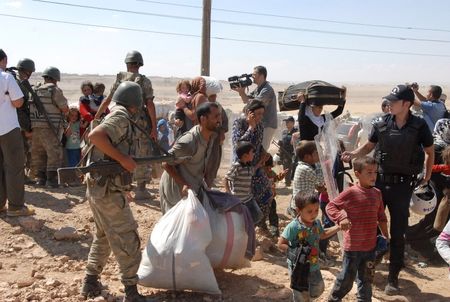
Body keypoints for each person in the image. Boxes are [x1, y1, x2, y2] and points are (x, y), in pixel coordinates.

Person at [341, 84, 434, 295]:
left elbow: (429, 151)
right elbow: (368, 147)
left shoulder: (419, 126)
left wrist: (427, 176)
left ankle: (393, 277)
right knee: (370, 226)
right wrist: (352, 154)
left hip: (403, 186)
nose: (389, 104)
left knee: (398, 232)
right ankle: (368, 270)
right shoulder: (382, 124)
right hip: (379, 184)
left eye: (393, 101)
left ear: (406, 104)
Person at [81, 81, 152, 302]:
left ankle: (90, 282)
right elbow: (96, 136)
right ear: (135, 103)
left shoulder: (116, 114)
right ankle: (131, 291)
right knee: (127, 236)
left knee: (104, 236)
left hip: (100, 187)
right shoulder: (120, 117)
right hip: (107, 189)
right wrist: (123, 159)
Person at [326, 156, 389, 302]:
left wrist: (386, 236)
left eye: (375, 172)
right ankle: (334, 299)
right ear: (357, 173)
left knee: (366, 280)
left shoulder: (377, 193)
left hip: (370, 248)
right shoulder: (351, 192)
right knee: (346, 280)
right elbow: (331, 206)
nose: (373, 176)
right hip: (353, 248)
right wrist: (341, 218)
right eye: (369, 172)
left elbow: (382, 217)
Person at [96, 50, 156, 200]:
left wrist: (96, 117)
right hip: (139, 123)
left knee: (123, 151)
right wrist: (154, 127)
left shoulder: (120, 79)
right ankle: (141, 189)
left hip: (121, 120)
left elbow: (108, 100)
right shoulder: (144, 81)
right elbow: (149, 104)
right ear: (139, 64)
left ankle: (124, 186)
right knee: (142, 152)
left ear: (127, 63)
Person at [159, 102, 220, 214]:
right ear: (203, 119)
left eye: (219, 116)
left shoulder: (211, 137)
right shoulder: (189, 141)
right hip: (175, 193)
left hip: (192, 190)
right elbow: (165, 162)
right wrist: (183, 184)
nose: (219, 120)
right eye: (215, 117)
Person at [278, 192, 340, 302]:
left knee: (318, 287)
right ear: (299, 210)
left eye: (316, 210)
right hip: (298, 266)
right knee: (300, 294)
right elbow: (281, 243)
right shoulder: (294, 227)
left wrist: (338, 227)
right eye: (309, 211)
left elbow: (322, 234)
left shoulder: (316, 223)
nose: (314, 214)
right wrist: (295, 251)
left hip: (313, 264)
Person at [0, 49, 35, 217]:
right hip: (7, 128)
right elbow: (19, 102)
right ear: (4, 60)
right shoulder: (7, 77)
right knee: (14, 167)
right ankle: (15, 207)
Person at [231, 100, 272, 230]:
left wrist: (264, 153)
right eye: (258, 113)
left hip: (256, 166)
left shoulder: (260, 125)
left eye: (262, 114)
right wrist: (251, 127)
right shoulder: (239, 122)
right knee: (244, 198)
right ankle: (244, 226)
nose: (260, 117)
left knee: (267, 192)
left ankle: (259, 223)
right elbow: (237, 144)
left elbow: (258, 144)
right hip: (242, 167)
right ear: (250, 112)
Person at [29, 66, 69, 188]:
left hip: (35, 127)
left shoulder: (35, 90)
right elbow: (64, 108)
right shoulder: (54, 90)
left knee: (38, 153)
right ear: (56, 79)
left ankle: (40, 179)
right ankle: (51, 181)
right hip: (50, 127)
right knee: (54, 153)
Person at [233, 65, 278, 150]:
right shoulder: (258, 89)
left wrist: (244, 95)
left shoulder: (267, 89)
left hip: (268, 124)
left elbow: (255, 103)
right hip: (261, 124)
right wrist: (241, 92)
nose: (252, 76)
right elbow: (246, 101)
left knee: (261, 150)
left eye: (254, 74)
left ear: (261, 76)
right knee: (256, 149)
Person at [13, 58, 35, 182]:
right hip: (18, 123)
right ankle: (20, 177)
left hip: (17, 122)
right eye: (30, 71)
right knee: (20, 150)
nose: (30, 73)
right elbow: (20, 109)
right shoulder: (18, 83)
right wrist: (27, 127)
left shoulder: (18, 82)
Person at [288, 141, 325, 216]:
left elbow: (316, 184)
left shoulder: (304, 167)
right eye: (316, 153)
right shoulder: (306, 169)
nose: (319, 155)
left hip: (302, 202)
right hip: (301, 205)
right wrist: (320, 163)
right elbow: (321, 181)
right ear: (307, 157)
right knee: (303, 225)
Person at [263, 155, 288, 237]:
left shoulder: (271, 173)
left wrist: (282, 175)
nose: (269, 169)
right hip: (262, 199)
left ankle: (275, 231)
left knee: (273, 214)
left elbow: (275, 178)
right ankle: (263, 230)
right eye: (267, 168)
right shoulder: (259, 175)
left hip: (271, 198)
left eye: (270, 167)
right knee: (262, 215)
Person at [278, 116, 297, 187]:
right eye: (286, 122)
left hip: (293, 154)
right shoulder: (284, 132)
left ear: (293, 123)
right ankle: (287, 183)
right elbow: (282, 142)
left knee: (294, 169)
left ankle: (295, 183)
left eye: (288, 122)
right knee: (286, 169)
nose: (286, 123)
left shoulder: (296, 131)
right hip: (285, 154)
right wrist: (280, 144)